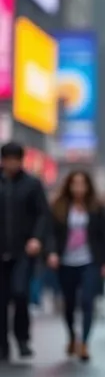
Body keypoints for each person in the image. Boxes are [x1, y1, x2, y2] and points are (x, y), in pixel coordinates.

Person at [47, 171, 105, 361]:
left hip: (89, 261)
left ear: (88, 186)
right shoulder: (59, 206)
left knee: (87, 301)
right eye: (75, 183)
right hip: (65, 261)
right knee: (68, 303)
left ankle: (84, 343)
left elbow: (103, 236)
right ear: (68, 185)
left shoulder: (96, 207)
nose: (78, 188)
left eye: (82, 184)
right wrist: (51, 253)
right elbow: (51, 233)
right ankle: (71, 337)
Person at [0, 142, 50, 360]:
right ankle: (2, 345)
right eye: (7, 159)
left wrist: (36, 239)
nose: (11, 163)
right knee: (1, 299)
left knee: (20, 293)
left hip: (23, 250)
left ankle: (22, 339)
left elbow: (43, 214)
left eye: (15, 159)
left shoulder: (32, 184)